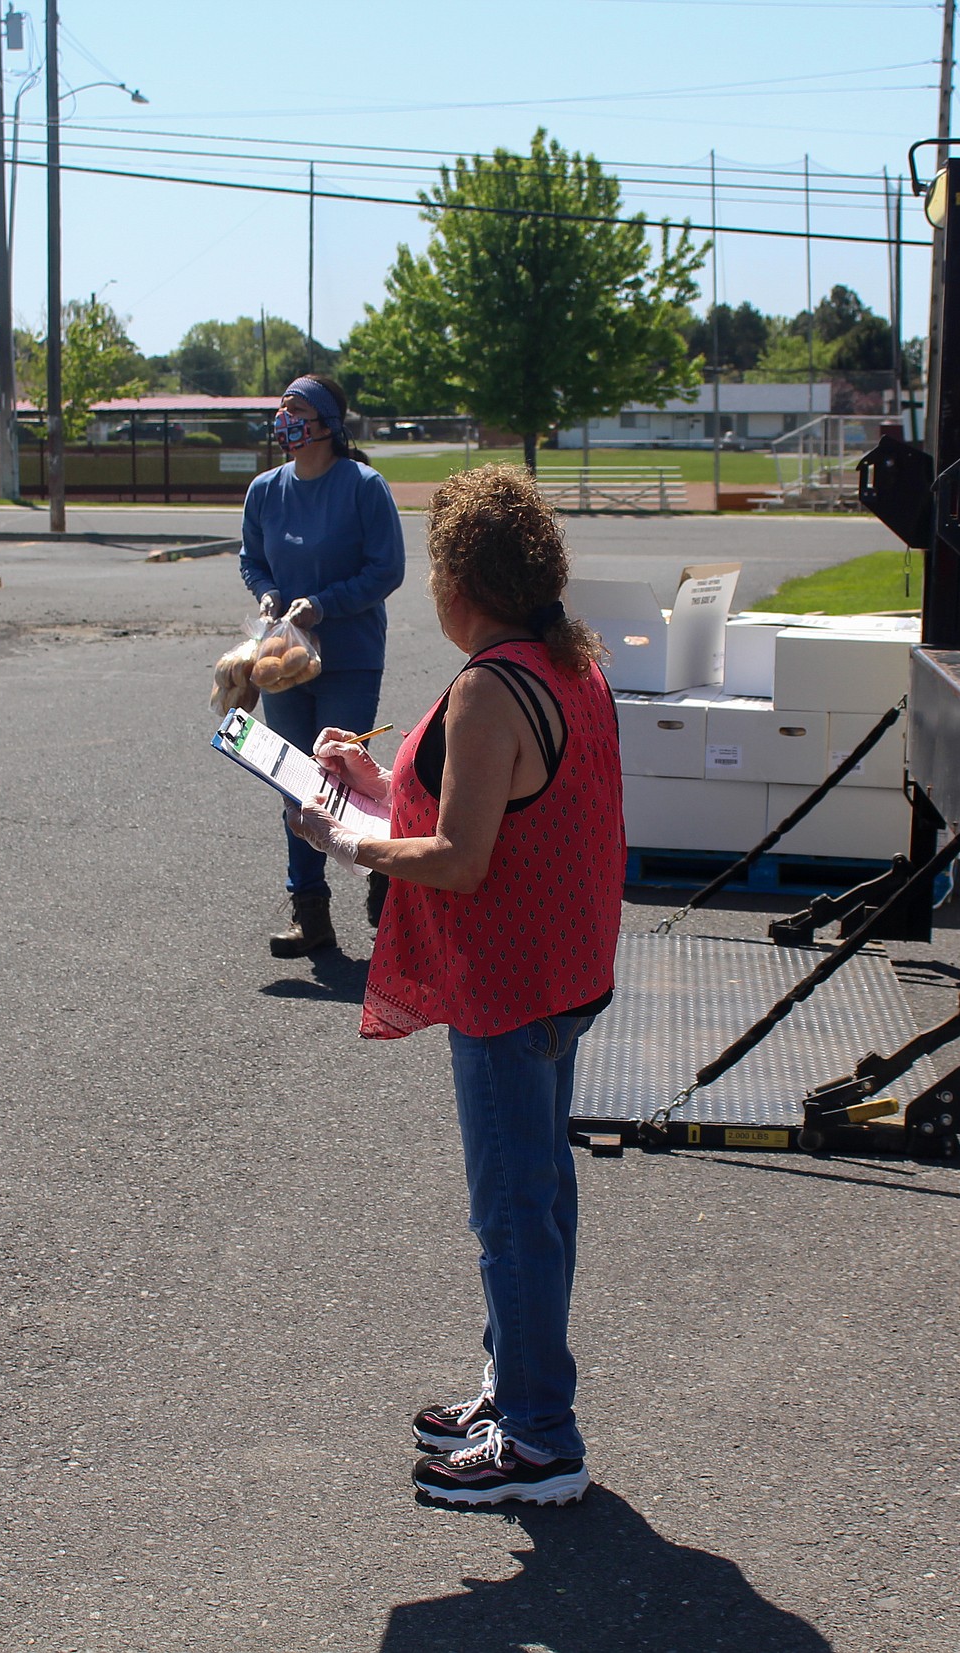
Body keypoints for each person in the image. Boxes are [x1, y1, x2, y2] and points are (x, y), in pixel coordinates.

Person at [287, 465, 625, 1507]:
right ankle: (517, 1386)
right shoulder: (561, 661)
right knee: (540, 1198)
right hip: (562, 971)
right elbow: (481, 812)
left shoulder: (488, 685)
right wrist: (378, 789)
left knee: (513, 1209)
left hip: (508, 982)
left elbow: (463, 858)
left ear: (460, 583)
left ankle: (539, 1438)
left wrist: (349, 842)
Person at [239, 373, 405, 956]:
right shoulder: (264, 491)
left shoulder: (364, 486)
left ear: (329, 424)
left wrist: (325, 605)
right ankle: (309, 910)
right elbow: (252, 560)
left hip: (351, 657)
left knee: (344, 777)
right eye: (281, 412)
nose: (286, 422)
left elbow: (387, 569)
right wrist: (266, 594)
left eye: (298, 412)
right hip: (284, 664)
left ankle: (385, 879)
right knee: (293, 783)